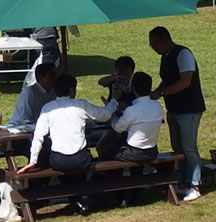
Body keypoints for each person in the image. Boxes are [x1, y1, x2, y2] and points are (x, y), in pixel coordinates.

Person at [19, 74, 118, 214]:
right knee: (86, 161)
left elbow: (38, 136)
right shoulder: (80, 105)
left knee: (62, 167)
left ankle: (75, 200)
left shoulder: (48, 108)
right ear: (72, 90)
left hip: (58, 160)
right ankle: (78, 199)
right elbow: (105, 115)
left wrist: (33, 160)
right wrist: (114, 100)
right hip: (80, 159)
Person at [148, 26, 205, 202]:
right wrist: (155, 93)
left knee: (189, 147)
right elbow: (167, 80)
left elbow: (185, 81)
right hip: (174, 109)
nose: (153, 48)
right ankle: (182, 180)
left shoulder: (183, 54)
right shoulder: (165, 58)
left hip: (189, 108)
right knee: (178, 148)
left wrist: (162, 93)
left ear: (165, 40)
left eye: (154, 44)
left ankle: (194, 184)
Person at [96, 72, 163, 170]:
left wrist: (111, 111)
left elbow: (117, 128)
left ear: (133, 88)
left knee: (104, 149)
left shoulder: (132, 110)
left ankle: (110, 179)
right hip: (152, 151)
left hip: (134, 153)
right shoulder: (157, 106)